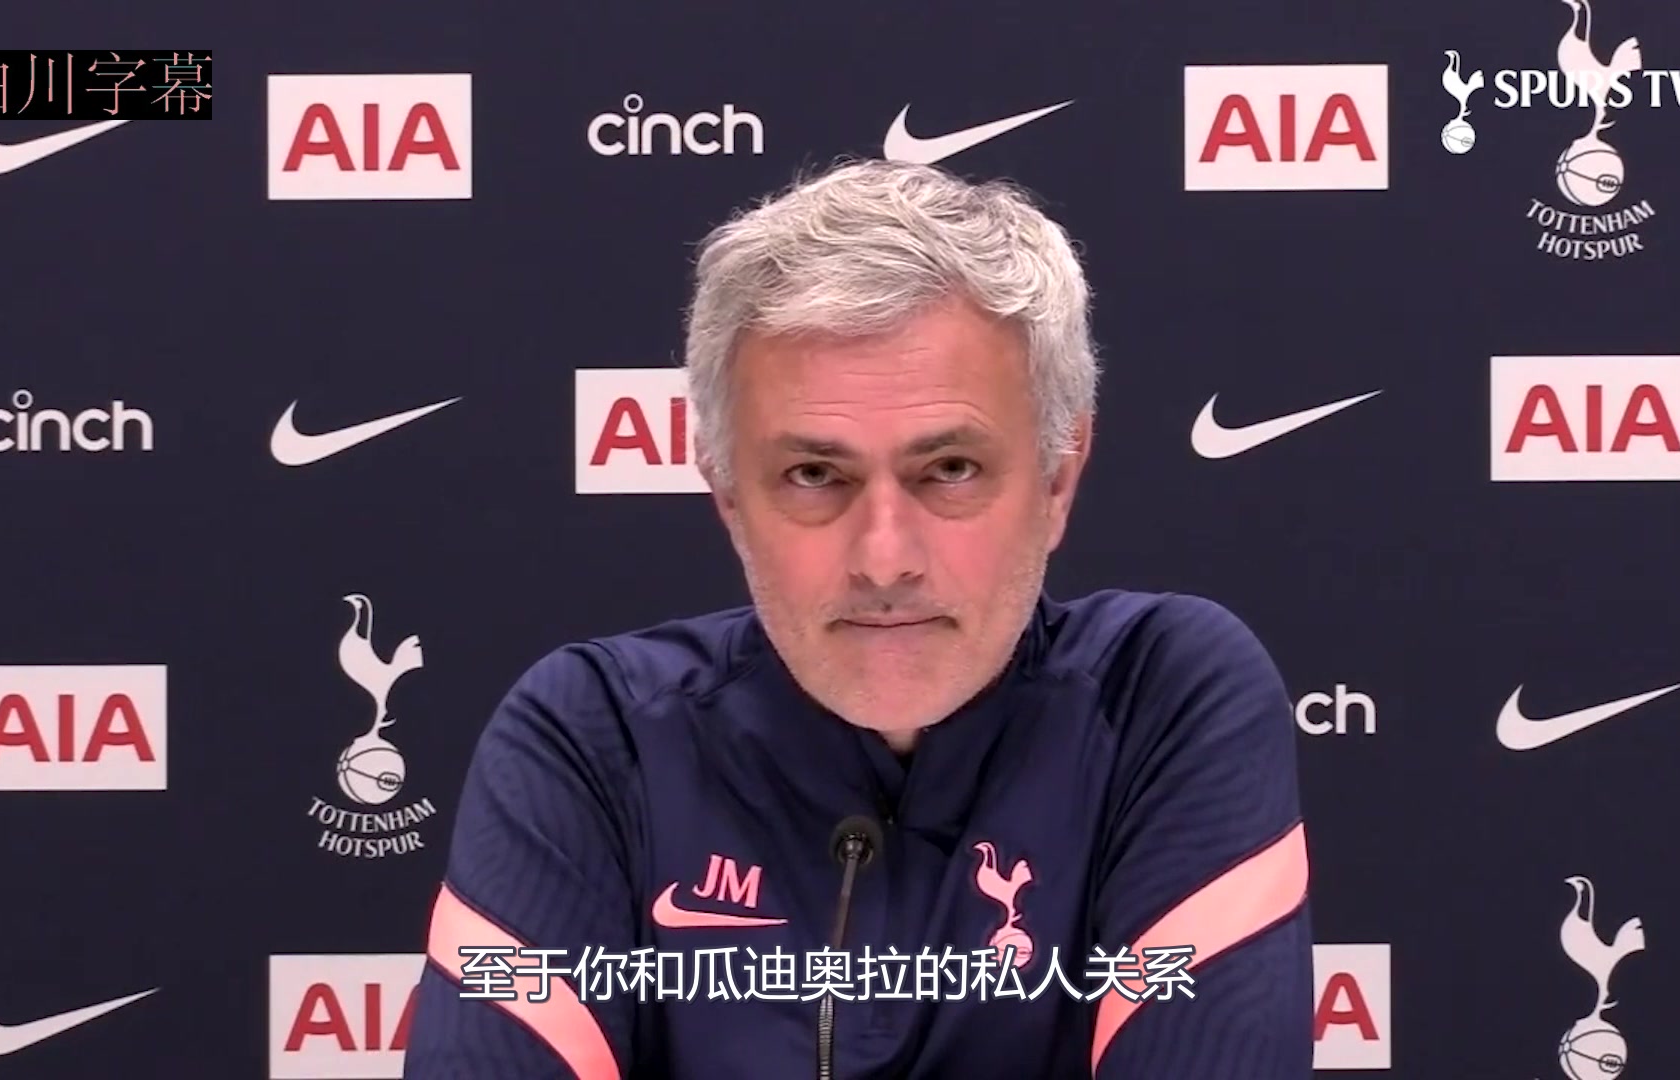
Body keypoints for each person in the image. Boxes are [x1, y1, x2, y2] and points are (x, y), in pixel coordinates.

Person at [401, 158, 1313, 1078]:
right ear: (726, 492)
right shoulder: (595, 737)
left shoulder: (1162, 697)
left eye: (949, 470)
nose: (883, 558)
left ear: (1057, 478)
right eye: (814, 475)